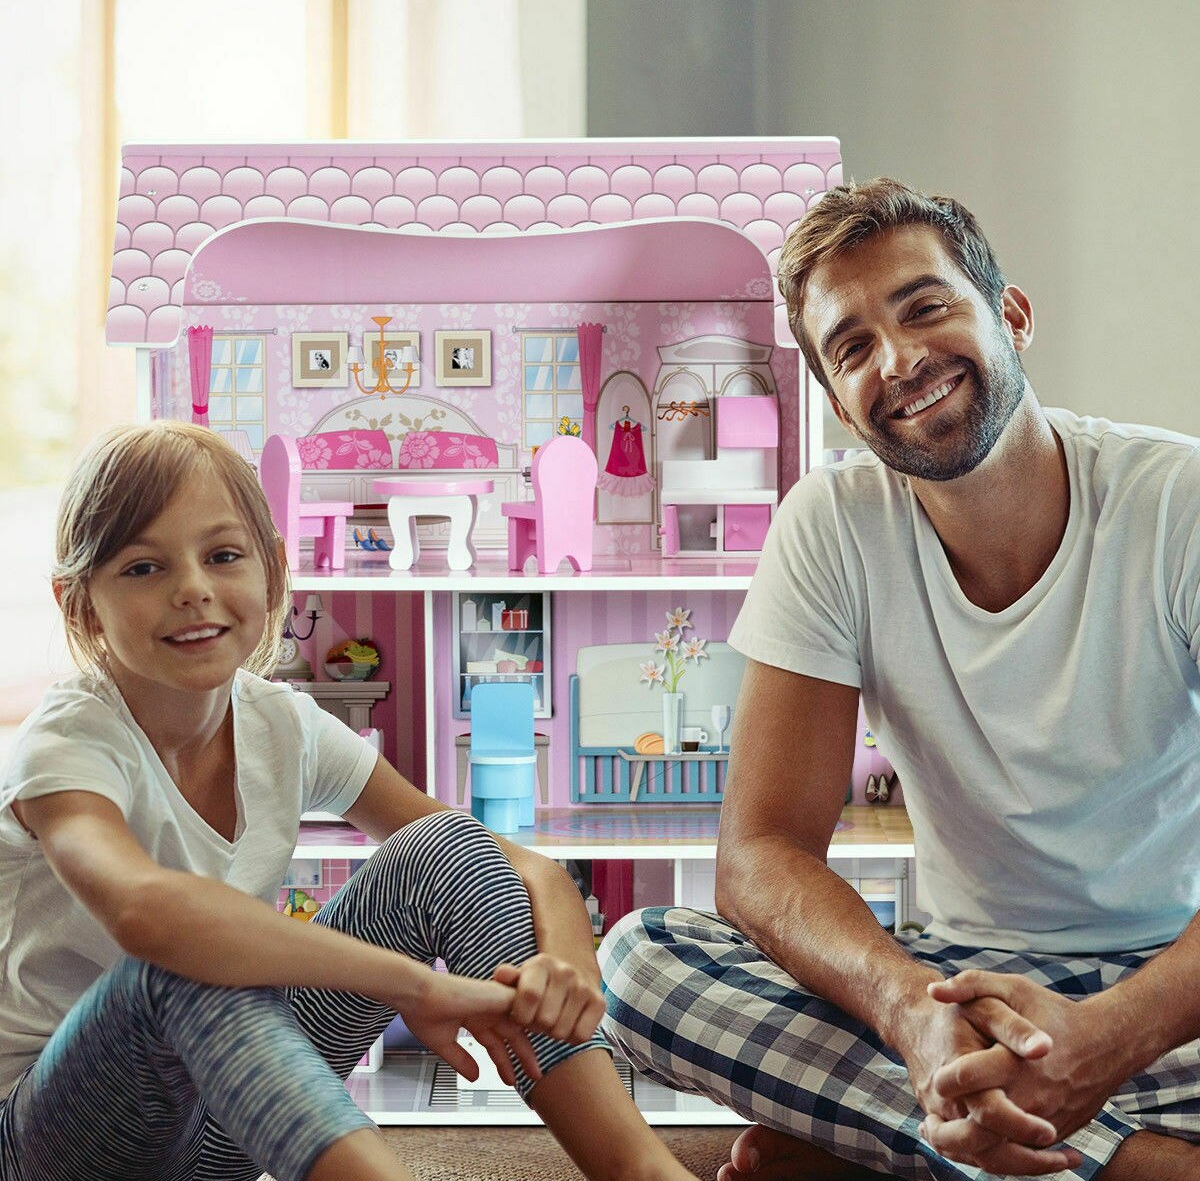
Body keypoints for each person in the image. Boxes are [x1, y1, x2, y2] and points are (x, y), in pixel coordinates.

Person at [599, 178, 1200, 1180]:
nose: (901, 359)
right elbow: (759, 856)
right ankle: (1129, 1167)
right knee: (638, 964)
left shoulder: (1177, 503)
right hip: (953, 983)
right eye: (853, 347)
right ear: (838, 401)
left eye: (925, 308)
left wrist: (1105, 1041)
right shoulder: (831, 526)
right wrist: (912, 1017)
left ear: (1011, 313)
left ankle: (896, 1144)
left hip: (1174, 996)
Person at [0, 422, 696, 1181]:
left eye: (224, 555)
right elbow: (148, 915)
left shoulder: (281, 725)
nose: (193, 587)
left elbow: (514, 864)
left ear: (271, 571)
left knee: (447, 850)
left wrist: (568, 970)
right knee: (183, 965)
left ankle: (642, 1170)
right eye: (142, 566)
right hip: (59, 1139)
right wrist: (413, 984)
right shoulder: (66, 743)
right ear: (82, 604)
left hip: (223, 1118)